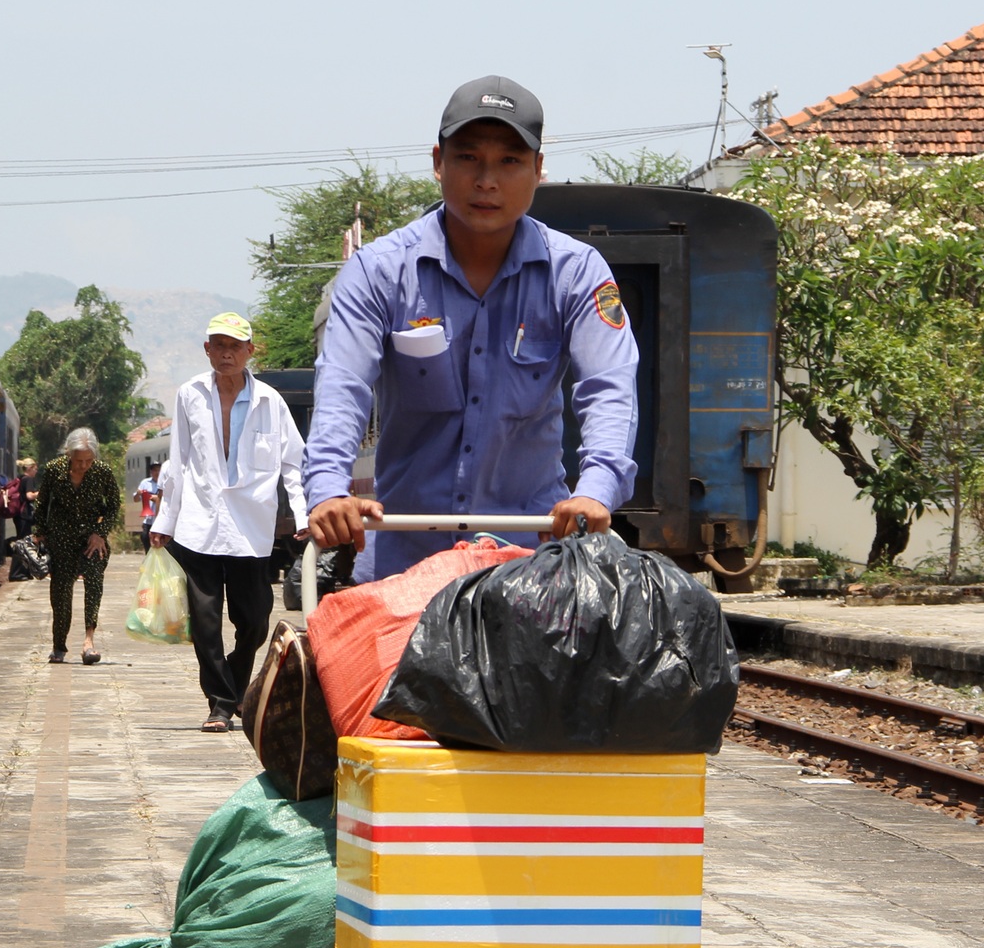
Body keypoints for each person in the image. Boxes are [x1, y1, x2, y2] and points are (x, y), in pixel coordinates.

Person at [304, 76, 639, 582]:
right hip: (403, 567)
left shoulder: (576, 272)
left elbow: (609, 386)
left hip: (531, 566)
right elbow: (342, 386)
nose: (487, 180)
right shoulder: (378, 272)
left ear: (538, 170)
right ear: (438, 162)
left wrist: (596, 489)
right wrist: (328, 488)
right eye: (468, 158)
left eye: (510, 160)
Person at [150, 313, 308, 732]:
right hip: (198, 523)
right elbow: (179, 460)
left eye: (235, 346)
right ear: (207, 350)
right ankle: (220, 703)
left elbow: (293, 462)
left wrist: (302, 514)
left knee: (254, 619)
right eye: (218, 345)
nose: (226, 353)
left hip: (250, 528)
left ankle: (236, 687)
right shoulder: (189, 395)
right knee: (204, 619)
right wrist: (164, 519)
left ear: (249, 351)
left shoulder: (271, 402)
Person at [34, 430, 120, 664]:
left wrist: (100, 534)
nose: (83, 466)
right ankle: (58, 645)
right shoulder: (54, 470)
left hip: (92, 540)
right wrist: (38, 533)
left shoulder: (102, 472)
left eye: (88, 461)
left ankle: (89, 641)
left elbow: (113, 506)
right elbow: (42, 503)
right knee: (61, 592)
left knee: (93, 582)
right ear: (69, 454)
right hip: (60, 538)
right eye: (79, 460)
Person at [7, 456, 40, 581]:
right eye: (35, 469)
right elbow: (29, 495)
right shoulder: (28, 479)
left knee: (23, 543)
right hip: (24, 515)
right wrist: (42, 493)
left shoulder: (21, 478)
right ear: (30, 468)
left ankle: (24, 572)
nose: (36, 471)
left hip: (20, 516)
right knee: (23, 544)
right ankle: (17, 573)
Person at [134, 462, 163, 551]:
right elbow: (136, 499)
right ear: (151, 472)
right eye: (155, 470)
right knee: (146, 539)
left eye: (159, 470)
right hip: (149, 519)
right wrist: (138, 494)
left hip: (161, 518)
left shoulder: (164, 482)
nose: (157, 472)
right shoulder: (145, 483)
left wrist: (154, 497)